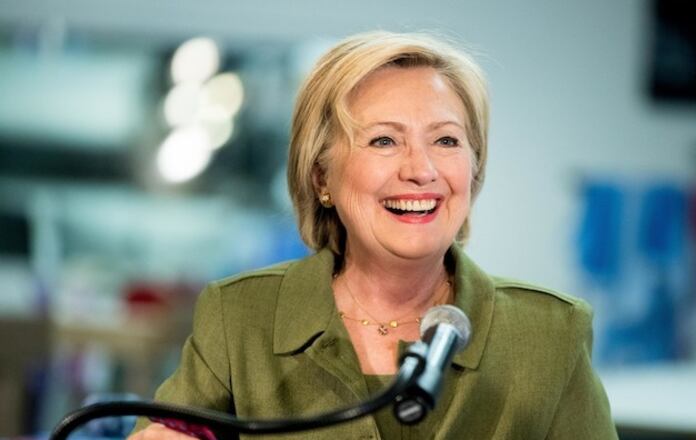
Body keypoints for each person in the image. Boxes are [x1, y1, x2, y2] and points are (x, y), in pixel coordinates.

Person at [131, 31, 617, 439]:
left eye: (446, 140)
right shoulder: (239, 318)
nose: (421, 170)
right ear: (321, 177)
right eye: (384, 140)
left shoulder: (552, 334)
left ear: (474, 168)